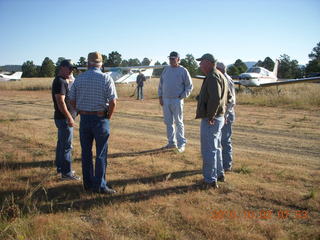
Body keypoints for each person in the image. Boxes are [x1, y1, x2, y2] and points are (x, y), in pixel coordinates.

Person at [70, 51, 117, 194]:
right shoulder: (106, 78)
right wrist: (108, 116)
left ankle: (88, 185)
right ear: (100, 64)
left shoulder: (79, 79)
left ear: (88, 63)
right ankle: (100, 186)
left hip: (84, 118)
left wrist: (80, 109)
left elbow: (71, 100)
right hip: (100, 118)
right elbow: (113, 102)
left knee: (86, 153)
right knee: (101, 153)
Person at [195, 54, 228, 188]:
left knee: (209, 150)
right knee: (216, 148)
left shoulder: (213, 76)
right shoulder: (220, 75)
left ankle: (210, 180)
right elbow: (227, 97)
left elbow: (215, 99)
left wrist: (211, 116)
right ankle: (219, 174)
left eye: (202, 62)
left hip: (212, 119)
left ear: (209, 63)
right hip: (218, 117)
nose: (200, 65)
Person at [158, 51, 193, 153]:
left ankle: (181, 144)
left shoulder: (183, 70)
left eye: (173, 58)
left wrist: (182, 96)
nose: (171, 60)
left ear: (178, 59)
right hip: (166, 100)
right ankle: (171, 143)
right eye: (170, 58)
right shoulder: (166, 70)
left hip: (177, 100)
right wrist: (160, 96)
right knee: (168, 122)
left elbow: (189, 86)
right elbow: (161, 84)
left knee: (178, 122)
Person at [51, 60, 80, 180]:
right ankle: (66, 173)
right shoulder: (60, 82)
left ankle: (60, 168)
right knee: (67, 146)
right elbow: (60, 102)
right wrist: (69, 117)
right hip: (64, 119)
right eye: (69, 68)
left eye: (72, 69)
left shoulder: (61, 80)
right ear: (62, 68)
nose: (71, 71)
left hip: (61, 118)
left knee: (61, 144)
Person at [216, 62, 236, 172]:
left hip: (226, 114)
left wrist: (225, 115)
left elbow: (231, 101)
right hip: (224, 114)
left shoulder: (226, 79)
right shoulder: (223, 78)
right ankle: (221, 164)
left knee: (225, 140)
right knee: (220, 140)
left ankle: (227, 165)